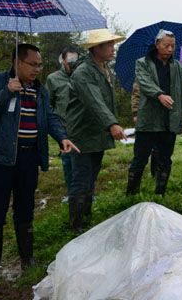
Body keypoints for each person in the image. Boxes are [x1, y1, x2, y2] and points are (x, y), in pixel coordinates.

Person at [0, 43, 78, 284]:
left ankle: (27, 259)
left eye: (40, 64)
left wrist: (62, 136)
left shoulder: (39, 90)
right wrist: (6, 92)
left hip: (29, 158)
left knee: (25, 208)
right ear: (17, 62)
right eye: (33, 64)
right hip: (1, 158)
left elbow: (49, 117)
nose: (38, 69)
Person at [66, 29, 126, 233]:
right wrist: (112, 124)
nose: (112, 49)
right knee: (81, 178)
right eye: (109, 45)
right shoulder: (83, 72)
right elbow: (95, 101)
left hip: (96, 132)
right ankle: (76, 226)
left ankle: (86, 217)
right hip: (82, 134)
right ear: (96, 48)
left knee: (91, 177)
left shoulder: (103, 69)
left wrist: (110, 124)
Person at [126, 29, 182, 196]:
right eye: (166, 45)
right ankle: (131, 194)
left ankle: (160, 194)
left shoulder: (177, 67)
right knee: (140, 159)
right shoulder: (143, 63)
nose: (170, 49)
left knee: (165, 159)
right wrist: (159, 94)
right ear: (157, 45)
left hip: (169, 120)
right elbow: (144, 83)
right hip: (148, 120)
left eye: (173, 46)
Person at [45, 46, 79, 202]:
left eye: (75, 59)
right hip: (63, 126)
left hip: (81, 125)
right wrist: (56, 124)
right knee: (67, 161)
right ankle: (72, 194)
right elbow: (48, 103)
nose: (72, 63)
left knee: (83, 160)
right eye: (70, 60)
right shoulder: (53, 79)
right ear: (63, 60)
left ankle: (85, 192)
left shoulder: (81, 75)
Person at [131, 79, 161, 178]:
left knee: (158, 148)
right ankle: (134, 179)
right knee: (141, 150)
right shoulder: (143, 73)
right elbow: (136, 94)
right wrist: (135, 112)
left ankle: (156, 173)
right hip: (144, 115)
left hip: (161, 116)